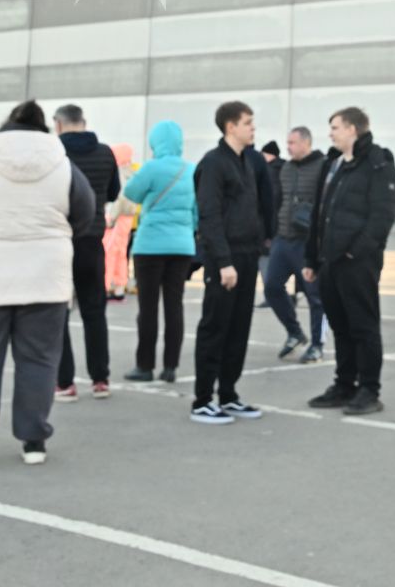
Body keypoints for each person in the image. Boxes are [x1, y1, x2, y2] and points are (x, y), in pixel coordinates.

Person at [0, 100, 96, 467]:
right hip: (45, 277)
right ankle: (33, 441)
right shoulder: (62, 164)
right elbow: (85, 214)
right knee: (39, 359)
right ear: (46, 129)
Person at [304, 106, 395, 417]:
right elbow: (320, 212)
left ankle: (369, 390)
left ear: (352, 129)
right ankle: (344, 385)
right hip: (329, 261)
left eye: (335, 127)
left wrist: (354, 252)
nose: (330, 133)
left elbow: (381, 217)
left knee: (363, 326)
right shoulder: (332, 164)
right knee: (340, 326)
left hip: (358, 263)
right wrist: (312, 257)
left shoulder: (377, 162)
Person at [189, 101, 274, 425]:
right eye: (248, 123)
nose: (253, 128)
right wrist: (223, 262)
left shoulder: (247, 162)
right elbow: (209, 216)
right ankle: (201, 400)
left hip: (246, 255)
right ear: (230, 127)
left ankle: (228, 393)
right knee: (215, 327)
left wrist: (259, 243)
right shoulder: (213, 163)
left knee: (239, 328)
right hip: (223, 259)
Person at [52, 103, 120, 402]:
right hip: (93, 239)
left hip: (60, 240)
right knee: (95, 311)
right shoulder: (105, 153)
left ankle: (64, 382)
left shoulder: (54, 152)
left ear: (58, 124)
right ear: (84, 122)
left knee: (58, 312)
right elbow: (114, 193)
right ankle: (100, 379)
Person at [121, 121, 194, 383]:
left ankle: (145, 366)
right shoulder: (191, 170)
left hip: (150, 245)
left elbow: (131, 192)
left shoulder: (152, 168)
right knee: (175, 306)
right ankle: (171, 366)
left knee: (148, 307)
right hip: (182, 246)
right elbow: (197, 211)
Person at [264, 125, 328, 363]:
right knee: (271, 287)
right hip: (283, 238)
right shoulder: (286, 168)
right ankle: (294, 331)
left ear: (305, 143)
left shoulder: (322, 166)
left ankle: (317, 344)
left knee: (314, 296)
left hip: (307, 242)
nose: (288, 147)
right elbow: (278, 199)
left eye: (292, 143)